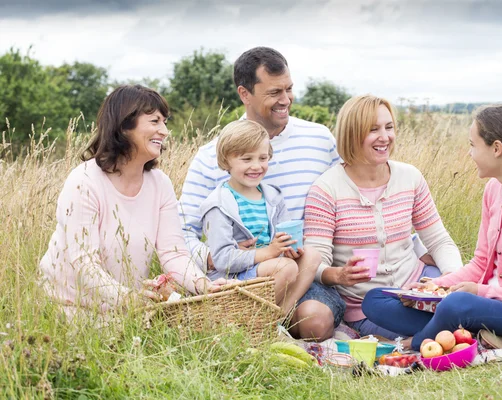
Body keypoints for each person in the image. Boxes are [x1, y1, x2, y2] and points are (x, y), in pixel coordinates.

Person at [362, 104, 502, 350]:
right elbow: (480, 262)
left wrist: (480, 292)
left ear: (496, 148)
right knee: (375, 300)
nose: (469, 153)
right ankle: (470, 334)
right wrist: (437, 285)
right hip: (477, 308)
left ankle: (418, 342)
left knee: (457, 305)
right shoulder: (493, 191)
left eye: (473, 145)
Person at [179, 46, 345, 340]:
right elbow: (182, 231)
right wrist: (213, 258)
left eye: (289, 89)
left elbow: (346, 202)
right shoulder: (211, 156)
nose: (286, 100)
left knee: (316, 322)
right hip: (243, 273)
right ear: (245, 94)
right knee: (294, 298)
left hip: (300, 275)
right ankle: (254, 324)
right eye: (274, 92)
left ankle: (268, 325)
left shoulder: (319, 139)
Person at [39, 85, 228, 317]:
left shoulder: (160, 183)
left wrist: (203, 285)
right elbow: (84, 263)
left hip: (127, 310)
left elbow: (174, 253)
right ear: (124, 125)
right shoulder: (84, 181)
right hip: (72, 308)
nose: (165, 131)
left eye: (165, 122)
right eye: (155, 121)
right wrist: (128, 299)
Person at [304, 95, 463, 339]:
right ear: (352, 134)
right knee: (444, 326)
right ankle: (450, 326)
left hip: (419, 285)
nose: (385, 137)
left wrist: (451, 282)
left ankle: (453, 318)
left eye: (389, 127)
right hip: (369, 306)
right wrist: (339, 275)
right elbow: (314, 264)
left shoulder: (410, 177)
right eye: (373, 130)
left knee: (474, 292)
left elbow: (439, 241)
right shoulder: (326, 190)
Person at [198, 120, 321, 315]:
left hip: (271, 268)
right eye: (246, 159)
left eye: (263, 158)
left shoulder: (273, 197)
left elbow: (282, 239)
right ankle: (260, 321)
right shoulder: (218, 204)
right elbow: (222, 259)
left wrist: (290, 248)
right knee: (286, 267)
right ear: (225, 161)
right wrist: (269, 253)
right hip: (235, 277)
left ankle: (279, 319)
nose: (256, 166)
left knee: (312, 255)